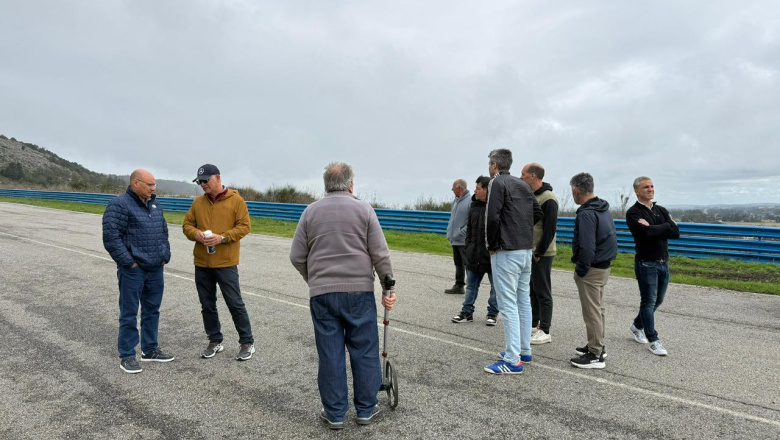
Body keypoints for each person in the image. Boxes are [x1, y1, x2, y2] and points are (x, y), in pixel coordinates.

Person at [290, 162, 397, 430]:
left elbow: (296, 256)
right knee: (364, 349)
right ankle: (365, 407)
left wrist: (313, 279)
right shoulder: (364, 210)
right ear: (351, 185)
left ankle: (335, 413)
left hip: (322, 295)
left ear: (326, 185)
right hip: (359, 292)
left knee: (330, 353)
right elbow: (380, 255)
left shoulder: (310, 212)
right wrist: (388, 289)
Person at [102, 169, 174, 374]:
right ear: (135, 183)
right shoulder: (119, 205)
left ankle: (150, 349)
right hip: (133, 270)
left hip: (155, 268)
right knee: (129, 313)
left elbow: (163, 232)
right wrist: (129, 262)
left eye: (155, 184)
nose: (153, 188)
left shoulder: (155, 204)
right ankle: (127, 355)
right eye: (150, 184)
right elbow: (111, 238)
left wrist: (164, 255)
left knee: (152, 310)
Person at [183, 164, 255, 361]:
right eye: (200, 182)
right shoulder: (198, 203)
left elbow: (245, 226)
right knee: (207, 304)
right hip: (202, 263)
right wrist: (196, 234)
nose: (202, 184)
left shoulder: (236, 200)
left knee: (235, 303)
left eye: (205, 180)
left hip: (226, 263)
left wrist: (222, 238)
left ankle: (247, 342)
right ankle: (215, 340)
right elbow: (187, 225)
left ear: (218, 178)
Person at [483, 149, 543, 375]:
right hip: (525, 250)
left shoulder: (496, 183)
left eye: (490, 164)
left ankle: (511, 360)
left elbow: (492, 216)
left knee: (507, 304)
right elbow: (537, 212)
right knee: (523, 301)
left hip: (506, 250)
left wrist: (491, 245)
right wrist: (521, 228)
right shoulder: (523, 184)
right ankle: (523, 350)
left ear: (495, 165)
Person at [626, 176, 680, 356]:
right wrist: (663, 227)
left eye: (652, 186)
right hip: (646, 263)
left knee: (658, 300)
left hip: (664, 262)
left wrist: (656, 227)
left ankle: (637, 325)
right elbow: (645, 233)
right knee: (648, 301)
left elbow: (675, 232)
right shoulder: (633, 213)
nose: (650, 189)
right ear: (637, 191)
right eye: (646, 187)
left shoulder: (661, 210)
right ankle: (653, 340)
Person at [569, 172, 617, 369]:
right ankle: (596, 345)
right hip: (603, 266)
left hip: (592, 268)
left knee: (591, 313)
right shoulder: (603, 208)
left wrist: (581, 269)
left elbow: (587, 246)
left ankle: (595, 355)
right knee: (598, 309)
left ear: (576, 191)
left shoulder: (587, 213)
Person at [451, 176, 500, 326]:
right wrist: (469, 245)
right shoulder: (474, 205)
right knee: (471, 285)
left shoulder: (496, 206)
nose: (475, 191)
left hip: (491, 255)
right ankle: (466, 312)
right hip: (474, 253)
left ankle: (492, 313)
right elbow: (471, 228)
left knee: (495, 287)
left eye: (478, 188)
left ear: (487, 190)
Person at [520, 163, 558, 345]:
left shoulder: (548, 198)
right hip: (530, 250)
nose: (521, 178)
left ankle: (546, 330)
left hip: (541, 252)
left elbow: (550, 229)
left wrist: (540, 252)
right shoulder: (531, 195)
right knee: (532, 291)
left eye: (523, 175)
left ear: (533, 176)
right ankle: (534, 324)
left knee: (543, 291)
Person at [444, 179, 471, 294]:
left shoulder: (470, 201)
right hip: (455, 239)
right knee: (458, 263)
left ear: (460, 188)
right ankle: (459, 285)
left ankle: (471, 287)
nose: (452, 189)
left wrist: (461, 233)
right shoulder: (456, 201)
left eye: (453, 187)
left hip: (463, 240)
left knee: (468, 264)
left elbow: (472, 222)